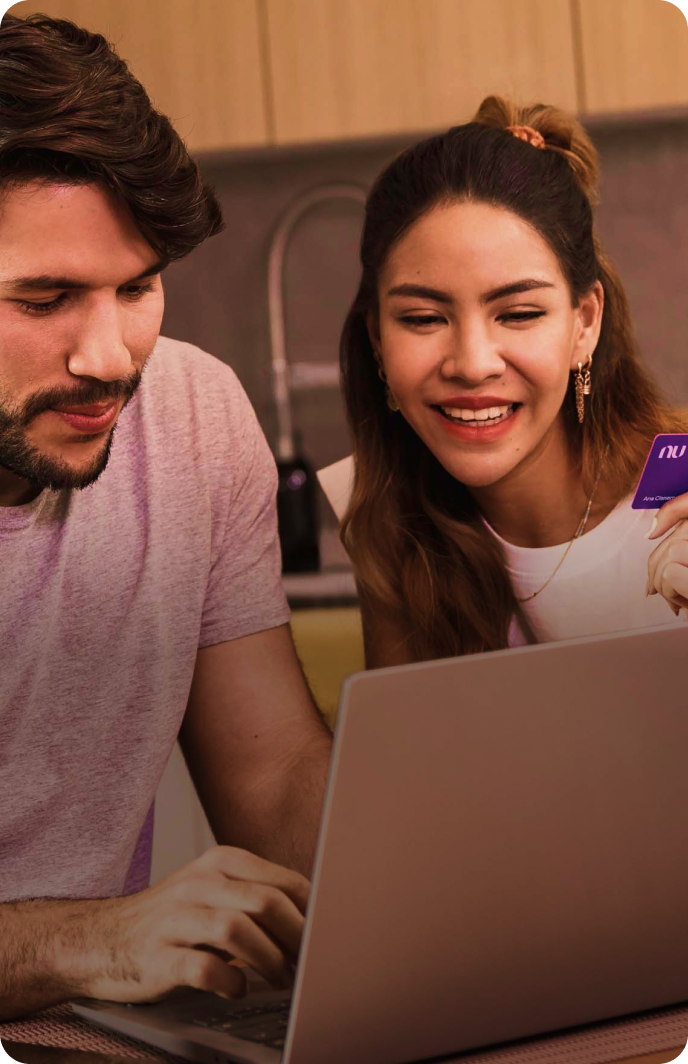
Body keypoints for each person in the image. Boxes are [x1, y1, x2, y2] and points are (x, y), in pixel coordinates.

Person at [0, 12, 331, 1020]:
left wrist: (480, 856)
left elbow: (271, 778)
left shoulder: (193, 414)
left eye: (138, 286)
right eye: (47, 295)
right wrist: (88, 939)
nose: (109, 357)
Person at [324, 96, 688, 667]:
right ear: (376, 338)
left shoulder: (681, 486)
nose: (472, 364)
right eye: (422, 319)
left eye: (518, 314)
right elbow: (411, 751)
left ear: (585, 323)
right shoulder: (388, 524)